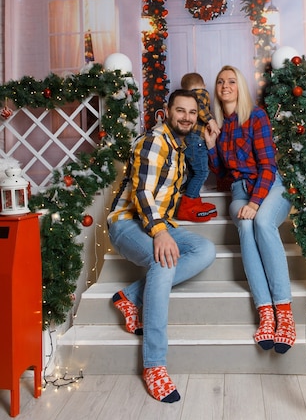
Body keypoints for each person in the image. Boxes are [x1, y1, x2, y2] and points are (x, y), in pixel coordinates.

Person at [107, 89, 216, 402]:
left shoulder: (180, 144)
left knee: (205, 250)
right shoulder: (155, 140)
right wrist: (159, 232)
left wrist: (207, 142)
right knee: (164, 261)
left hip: (161, 223)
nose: (186, 117)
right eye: (180, 111)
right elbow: (141, 193)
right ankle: (154, 365)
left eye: (192, 113)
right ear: (167, 111)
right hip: (128, 223)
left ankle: (129, 296)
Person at [204, 65, 295, 354]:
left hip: (270, 187)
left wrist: (256, 202)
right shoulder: (222, 125)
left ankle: (285, 313)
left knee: (262, 223)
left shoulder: (256, 116)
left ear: (240, 87)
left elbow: (268, 166)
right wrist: (211, 145)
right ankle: (265, 313)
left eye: (231, 81)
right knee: (244, 225)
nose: (225, 85)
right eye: (220, 82)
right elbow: (221, 174)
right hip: (239, 192)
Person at [175, 72, 219, 222]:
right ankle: (188, 203)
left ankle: (191, 199)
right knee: (202, 172)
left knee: (194, 172)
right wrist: (211, 120)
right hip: (196, 140)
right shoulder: (200, 94)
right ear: (204, 85)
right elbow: (200, 107)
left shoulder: (186, 98)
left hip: (188, 140)